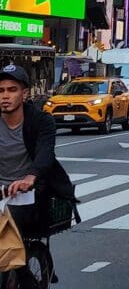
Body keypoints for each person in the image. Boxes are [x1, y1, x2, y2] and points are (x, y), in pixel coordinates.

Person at [0, 64, 78, 288]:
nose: (5, 95)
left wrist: (30, 178)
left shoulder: (41, 121)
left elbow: (45, 152)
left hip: (29, 196)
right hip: (0, 193)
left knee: (6, 230)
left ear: (24, 94)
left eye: (12, 90)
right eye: (1, 90)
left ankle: (26, 280)